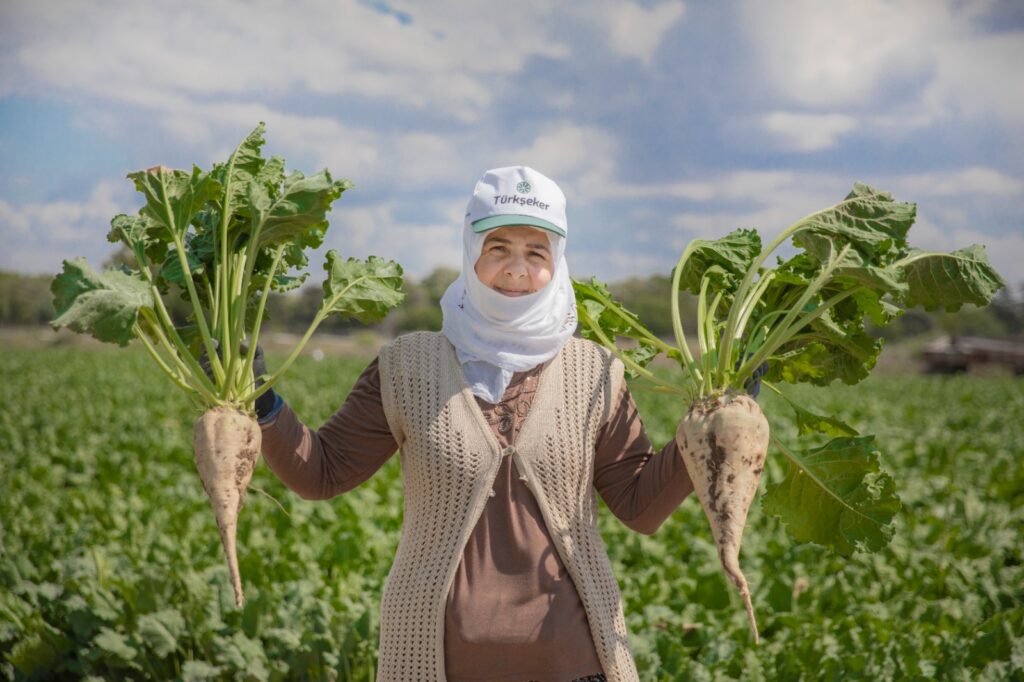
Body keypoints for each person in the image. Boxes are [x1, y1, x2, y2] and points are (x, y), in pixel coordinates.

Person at [255, 166, 696, 682]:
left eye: (537, 252)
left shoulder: (594, 371)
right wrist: (264, 405)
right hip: (434, 662)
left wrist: (708, 429)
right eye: (498, 248)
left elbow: (640, 506)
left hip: (573, 663)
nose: (516, 269)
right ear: (471, 252)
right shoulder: (408, 367)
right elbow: (322, 473)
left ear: (558, 261)